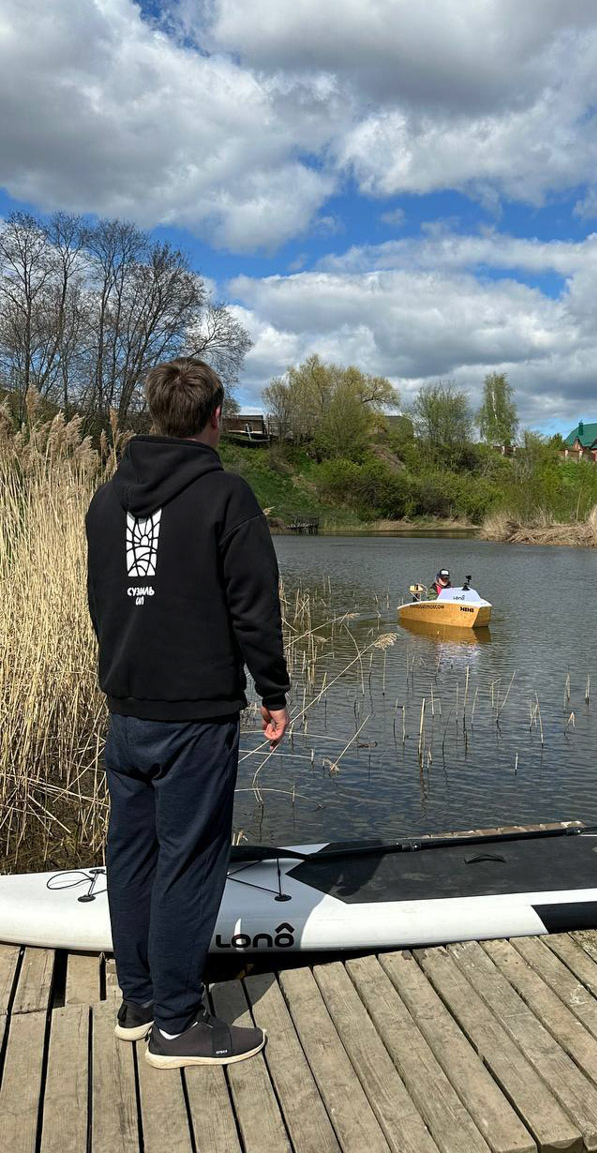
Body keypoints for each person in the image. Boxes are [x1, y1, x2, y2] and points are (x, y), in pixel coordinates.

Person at [85, 357, 290, 1070]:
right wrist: (274, 692)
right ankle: (176, 1024)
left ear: (153, 412)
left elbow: (103, 601)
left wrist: (121, 676)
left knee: (132, 854)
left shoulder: (106, 502)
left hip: (128, 711)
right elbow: (255, 608)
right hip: (194, 716)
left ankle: (138, 1000)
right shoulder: (226, 497)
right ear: (216, 417)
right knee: (189, 861)